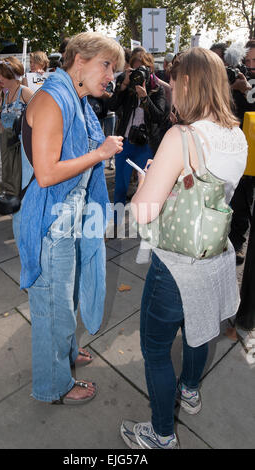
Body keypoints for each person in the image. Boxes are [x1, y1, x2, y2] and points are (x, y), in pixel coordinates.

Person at [120, 48, 248, 449]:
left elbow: (142, 213)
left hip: (175, 263)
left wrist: (144, 186)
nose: (169, 86)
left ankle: (161, 435)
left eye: (174, 79)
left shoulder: (182, 136)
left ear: (189, 83)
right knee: (199, 332)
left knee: (156, 350)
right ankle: (189, 391)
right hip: (216, 254)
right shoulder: (237, 133)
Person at [16, 32, 124, 404]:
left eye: (115, 68)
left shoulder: (73, 97)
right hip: (51, 223)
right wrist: (100, 154)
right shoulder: (52, 100)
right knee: (51, 307)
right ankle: (53, 386)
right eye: (106, 65)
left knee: (66, 298)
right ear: (79, 59)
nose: (112, 75)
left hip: (69, 216)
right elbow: (47, 174)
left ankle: (65, 352)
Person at [108, 48, 169, 220]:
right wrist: (125, 84)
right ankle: (116, 222)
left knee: (145, 188)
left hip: (146, 145)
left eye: (142, 69)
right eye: (136, 70)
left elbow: (159, 117)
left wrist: (145, 98)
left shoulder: (156, 89)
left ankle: (144, 222)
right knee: (120, 186)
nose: (139, 74)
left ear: (150, 70)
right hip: (125, 142)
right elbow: (111, 106)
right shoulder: (125, 83)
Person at [228, 40, 255, 264]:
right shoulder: (235, 80)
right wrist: (234, 89)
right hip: (239, 151)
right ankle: (236, 243)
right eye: (247, 61)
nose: (250, 65)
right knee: (239, 201)